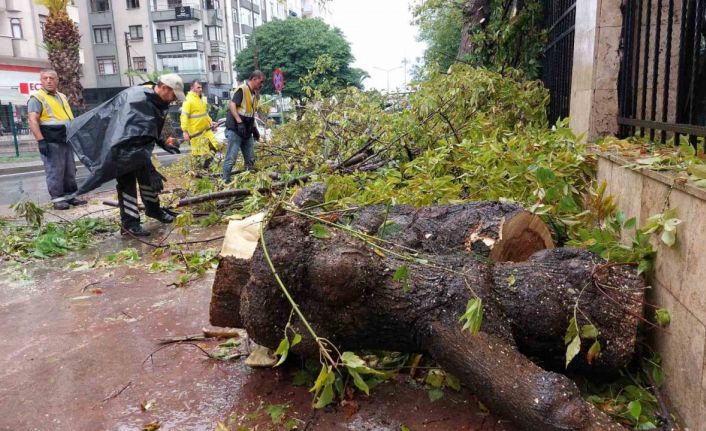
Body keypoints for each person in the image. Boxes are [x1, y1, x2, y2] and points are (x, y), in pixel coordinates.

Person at [66, 74, 185, 237]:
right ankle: (130, 224)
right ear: (164, 88)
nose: (173, 100)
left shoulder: (152, 98)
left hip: (137, 150)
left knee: (147, 179)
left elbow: (146, 130)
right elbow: (132, 138)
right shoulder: (138, 100)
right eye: (173, 95)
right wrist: (151, 169)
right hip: (121, 150)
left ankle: (154, 210)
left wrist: (162, 142)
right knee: (127, 183)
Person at [28, 69, 87, 210]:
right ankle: (58, 199)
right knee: (55, 170)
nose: (49, 80)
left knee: (70, 169)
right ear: (41, 81)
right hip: (50, 140)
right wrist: (40, 140)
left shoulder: (62, 96)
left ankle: (71, 196)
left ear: (57, 80)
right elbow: (32, 120)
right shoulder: (36, 98)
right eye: (45, 78)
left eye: (52, 78)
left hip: (65, 139)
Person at [222, 70, 265, 182]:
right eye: (261, 81)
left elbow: (250, 114)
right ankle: (225, 181)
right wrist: (239, 122)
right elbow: (232, 105)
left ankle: (249, 182)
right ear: (254, 79)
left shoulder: (254, 95)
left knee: (250, 159)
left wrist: (255, 131)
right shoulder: (243, 89)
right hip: (236, 130)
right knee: (231, 158)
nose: (262, 84)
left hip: (247, 131)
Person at [180, 79, 220, 172]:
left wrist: (211, 122)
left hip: (206, 130)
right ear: (192, 88)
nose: (200, 89)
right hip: (196, 132)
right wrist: (185, 131)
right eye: (198, 87)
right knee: (197, 154)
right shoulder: (188, 100)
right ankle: (197, 171)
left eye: (201, 87)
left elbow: (204, 114)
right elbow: (184, 116)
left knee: (215, 146)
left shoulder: (201, 99)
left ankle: (205, 168)